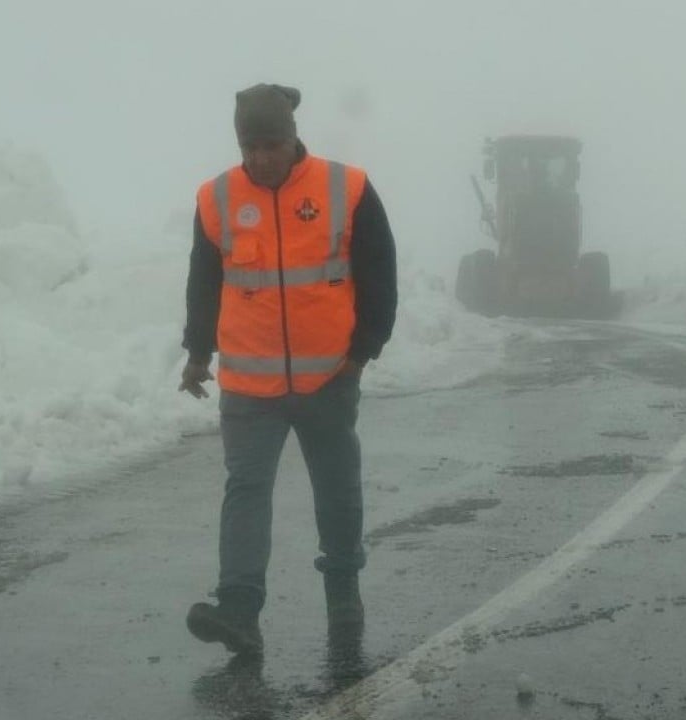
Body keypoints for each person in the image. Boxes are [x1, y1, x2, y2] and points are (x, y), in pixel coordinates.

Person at [178, 83, 397, 657]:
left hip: (328, 379)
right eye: (249, 146)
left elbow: (379, 273)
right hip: (250, 387)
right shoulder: (217, 198)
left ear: (293, 137)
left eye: (271, 144)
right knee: (246, 489)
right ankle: (239, 612)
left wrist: (361, 353)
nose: (260, 158)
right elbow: (205, 283)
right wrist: (197, 353)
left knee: (336, 488)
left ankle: (344, 591)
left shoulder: (344, 188)